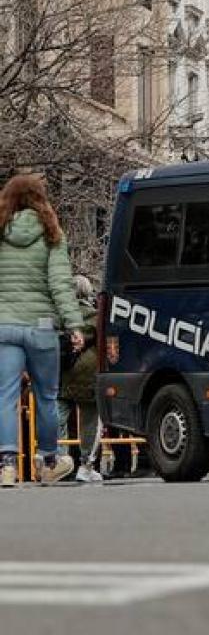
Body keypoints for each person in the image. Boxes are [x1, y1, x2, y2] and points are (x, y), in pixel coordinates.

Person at [0, 174, 86, 487]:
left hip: (5, 325)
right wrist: (74, 324)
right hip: (42, 328)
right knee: (47, 397)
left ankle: (6, 466)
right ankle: (49, 461)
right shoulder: (52, 233)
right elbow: (60, 284)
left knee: (5, 397)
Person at [57, 274, 101, 482]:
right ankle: (86, 465)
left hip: (61, 374)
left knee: (58, 418)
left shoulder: (60, 316)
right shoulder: (95, 316)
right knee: (90, 421)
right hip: (87, 376)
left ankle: (59, 461)